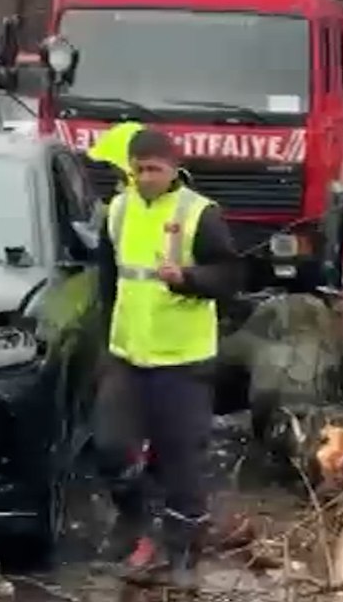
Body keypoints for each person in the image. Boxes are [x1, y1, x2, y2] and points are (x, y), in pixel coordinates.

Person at [94, 129, 242, 586]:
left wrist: (189, 278)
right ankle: (135, 520)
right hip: (127, 355)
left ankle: (181, 551)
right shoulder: (117, 210)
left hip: (183, 360)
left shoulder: (200, 213)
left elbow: (232, 276)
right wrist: (105, 341)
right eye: (138, 170)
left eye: (154, 170)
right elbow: (107, 279)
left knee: (182, 460)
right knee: (110, 445)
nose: (146, 178)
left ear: (173, 168)